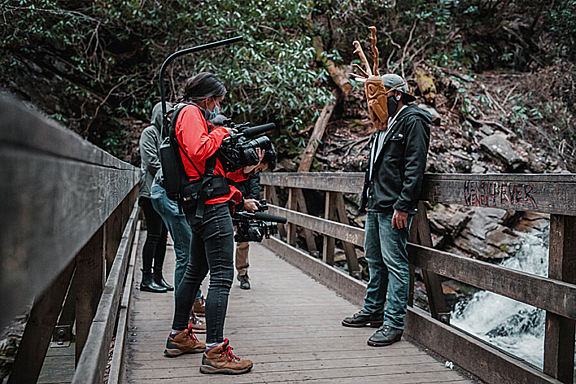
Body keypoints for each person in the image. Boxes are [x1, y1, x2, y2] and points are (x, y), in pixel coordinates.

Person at [163, 72, 262, 375]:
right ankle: (215, 351)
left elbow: (204, 167)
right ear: (207, 99)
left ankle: (179, 336)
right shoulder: (191, 113)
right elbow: (199, 149)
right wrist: (221, 132)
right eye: (217, 102)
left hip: (200, 204)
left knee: (194, 271)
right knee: (222, 276)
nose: (218, 108)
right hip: (210, 207)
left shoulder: (182, 114)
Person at [342, 74, 431, 347]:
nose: (374, 102)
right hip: (376, 202)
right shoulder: (384, 122)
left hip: (394, 205)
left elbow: (415, 167)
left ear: (397, 95)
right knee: (374, 258)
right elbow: (378, 165)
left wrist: (404, 205)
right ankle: (373, 310)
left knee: (396, 263)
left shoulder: (413, 120)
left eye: (380, 96)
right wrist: (368, 195)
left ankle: (393, 323)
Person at [150, 168, 206, 333]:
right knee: (186, 256)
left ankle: (194, 301)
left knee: (189, 252)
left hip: (168, 191)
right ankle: (185, 317)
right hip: (170, 195)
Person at [229, 149, 277, 290]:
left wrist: (252, 201)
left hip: (245, 203)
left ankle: (243, 272)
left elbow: (255, 184)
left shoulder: (254, 171)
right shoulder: (237, 159)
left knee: (243, 238)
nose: (258, 170)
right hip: (228, 199)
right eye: (261, 167)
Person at [138, 101, 173, 293]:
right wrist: (171, 175)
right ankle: (146, 278)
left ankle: (158, 276)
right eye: (167, 115)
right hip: (150, 192)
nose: (169, 119)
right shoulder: (149, 133)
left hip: (164, 192)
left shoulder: (166, 135)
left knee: (162, 236)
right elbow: (151, 161)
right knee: (153, 235)